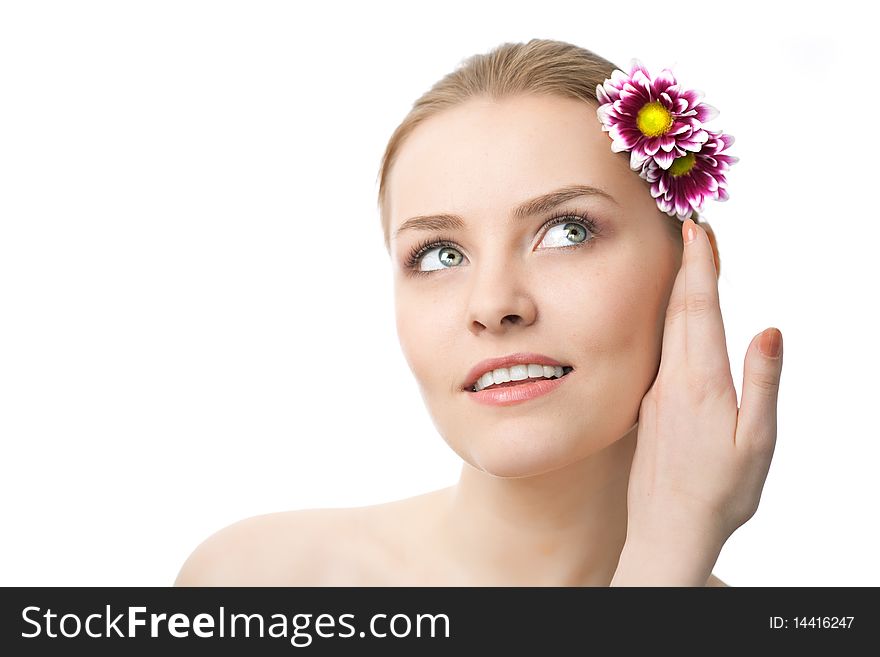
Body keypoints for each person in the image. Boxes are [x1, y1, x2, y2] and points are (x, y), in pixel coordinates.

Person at [174, 39, 783, 587]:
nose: (493, 305)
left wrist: (672, 551)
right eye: (440, 254)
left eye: (568, 231)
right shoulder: (256, 583)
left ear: (691, 263)